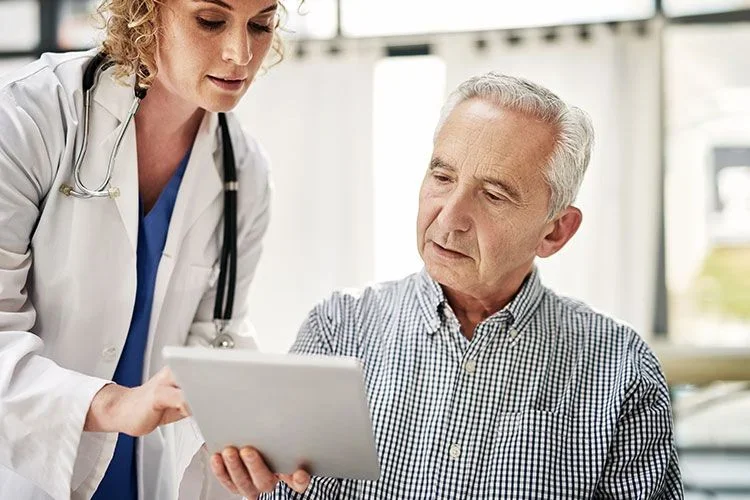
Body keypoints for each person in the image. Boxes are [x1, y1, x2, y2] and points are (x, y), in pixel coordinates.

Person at [211, 73, 684, 499]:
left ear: (555, 231)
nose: (450, 217)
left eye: (494, 194)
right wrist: (259, 486)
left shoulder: (623, 370)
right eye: (442, 176)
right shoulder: (337, 329)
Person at [0, 0, 307, 498]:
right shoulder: (28, 118)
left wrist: (254, 434)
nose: (241, 53)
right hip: (26, 473)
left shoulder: (244, 172)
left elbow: (215, 335)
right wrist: (112, 404)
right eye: (210, 20)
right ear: (144, 12)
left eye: (260, 25)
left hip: (149, 477)